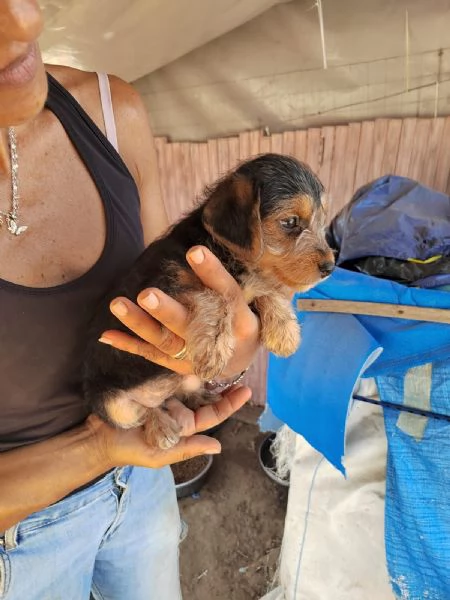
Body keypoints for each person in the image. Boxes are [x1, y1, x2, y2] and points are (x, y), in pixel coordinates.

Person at [0, 1, 260, 598]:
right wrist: (98, 444)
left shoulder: (111, 111)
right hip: (21, 539)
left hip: (140, 483)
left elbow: (165, 299)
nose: (25, 20)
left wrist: (220, 352)